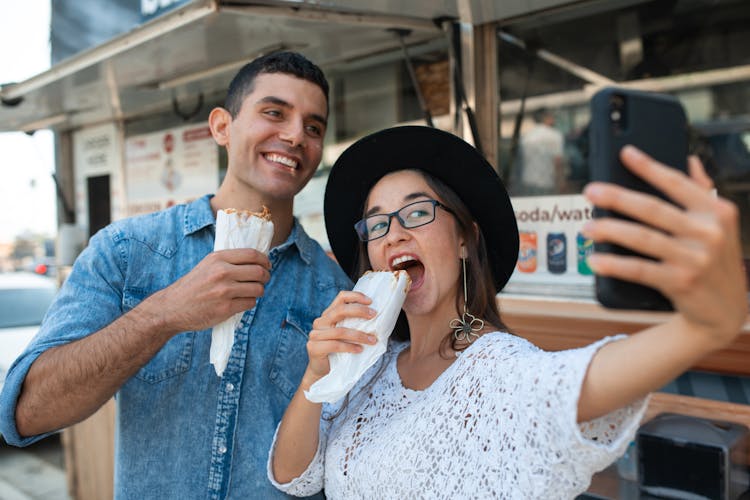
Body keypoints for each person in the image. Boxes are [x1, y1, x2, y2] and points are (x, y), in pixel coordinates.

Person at [267, 125, 747, 498]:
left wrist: (702, 329)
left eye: (417, 213)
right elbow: (293, 476)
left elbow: (576, 385)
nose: (393, 234)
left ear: (464, 239)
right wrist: (316, 377)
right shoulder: (368, 368)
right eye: (376, 224)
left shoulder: (497, 369)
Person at [0, 52, 351, 499]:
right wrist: (164, 313)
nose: (295, 135)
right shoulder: (127, 251)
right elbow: (28, 413)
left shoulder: (335, 292)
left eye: (313, 127)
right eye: (274, 113)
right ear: (222, 126)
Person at [519, 107, 566, 194]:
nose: (554, 119)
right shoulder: (554, 135)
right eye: (552, 116)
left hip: (528, 180)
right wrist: (561, 183)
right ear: (546, 118)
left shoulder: (527, 136)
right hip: (546, 182)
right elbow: (558, 161)